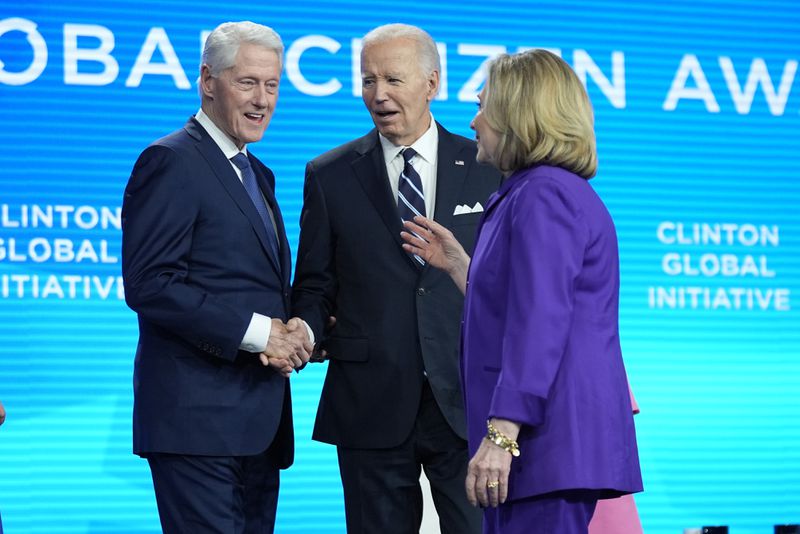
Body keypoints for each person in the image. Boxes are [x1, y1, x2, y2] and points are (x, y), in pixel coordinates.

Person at [400, 48, 643, 533]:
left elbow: (540, 324)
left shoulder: (543, 194)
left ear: (517, 116)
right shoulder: (534, 192)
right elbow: (526, 306)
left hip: (543, 445)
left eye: (483, 106)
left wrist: (502, 434)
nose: (473, 123)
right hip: (542, 446)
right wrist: (461, 268)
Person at [291, 23, 501, 534]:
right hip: (370, 402)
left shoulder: (487, 165)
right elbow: (315, 284)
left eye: (393, 79)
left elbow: (506, 283)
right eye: (368, 81)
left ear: (432, 83)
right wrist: (304, 329)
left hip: (466, 400)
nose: (378, 95)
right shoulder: (330, 173)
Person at [121, 21, 312, 533]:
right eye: (247, 82)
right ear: (208, 80)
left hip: (259, 425)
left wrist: (300, 331)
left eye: (272, 85)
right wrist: (259, 332)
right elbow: (150, 284)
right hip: (197, 424)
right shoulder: (170, 160)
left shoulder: (258, 172)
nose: (262, 100)